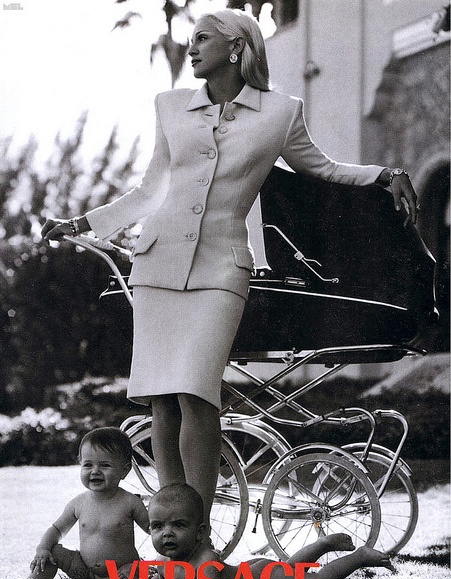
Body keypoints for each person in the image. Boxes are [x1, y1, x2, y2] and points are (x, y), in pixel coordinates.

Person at [40, 9, 419, 539]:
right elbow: (152, 190)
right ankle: (178, 530)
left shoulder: (281, 112)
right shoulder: (170, 106)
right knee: (162, 400)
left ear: (238, 47)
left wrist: (387, 173)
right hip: (156, 263)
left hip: (223, 268)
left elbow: (323, 167)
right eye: (190, 39)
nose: (191, 48)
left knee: (198, 392)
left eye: (202, 39)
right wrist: (83, 222)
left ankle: (199, 528)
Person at [145, 483, 394, 579]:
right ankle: (323, 544)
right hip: (255, 571)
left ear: (200, 533)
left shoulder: (206, 560)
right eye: (158, 527)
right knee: (291, 570)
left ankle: (359, 556)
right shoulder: (162, 561)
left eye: (178, 525)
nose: (167, 534)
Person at [27, 427, 149, 579]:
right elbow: (57, 529)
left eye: (105, 465)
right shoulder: (79, 503)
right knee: (53, 552)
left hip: (120, 571)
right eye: (88, 465)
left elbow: (152, 528)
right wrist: (42, 548)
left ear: (124, 470)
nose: (95, 471)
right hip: (83, 568)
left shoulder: (130, 502)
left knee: (135, 572)